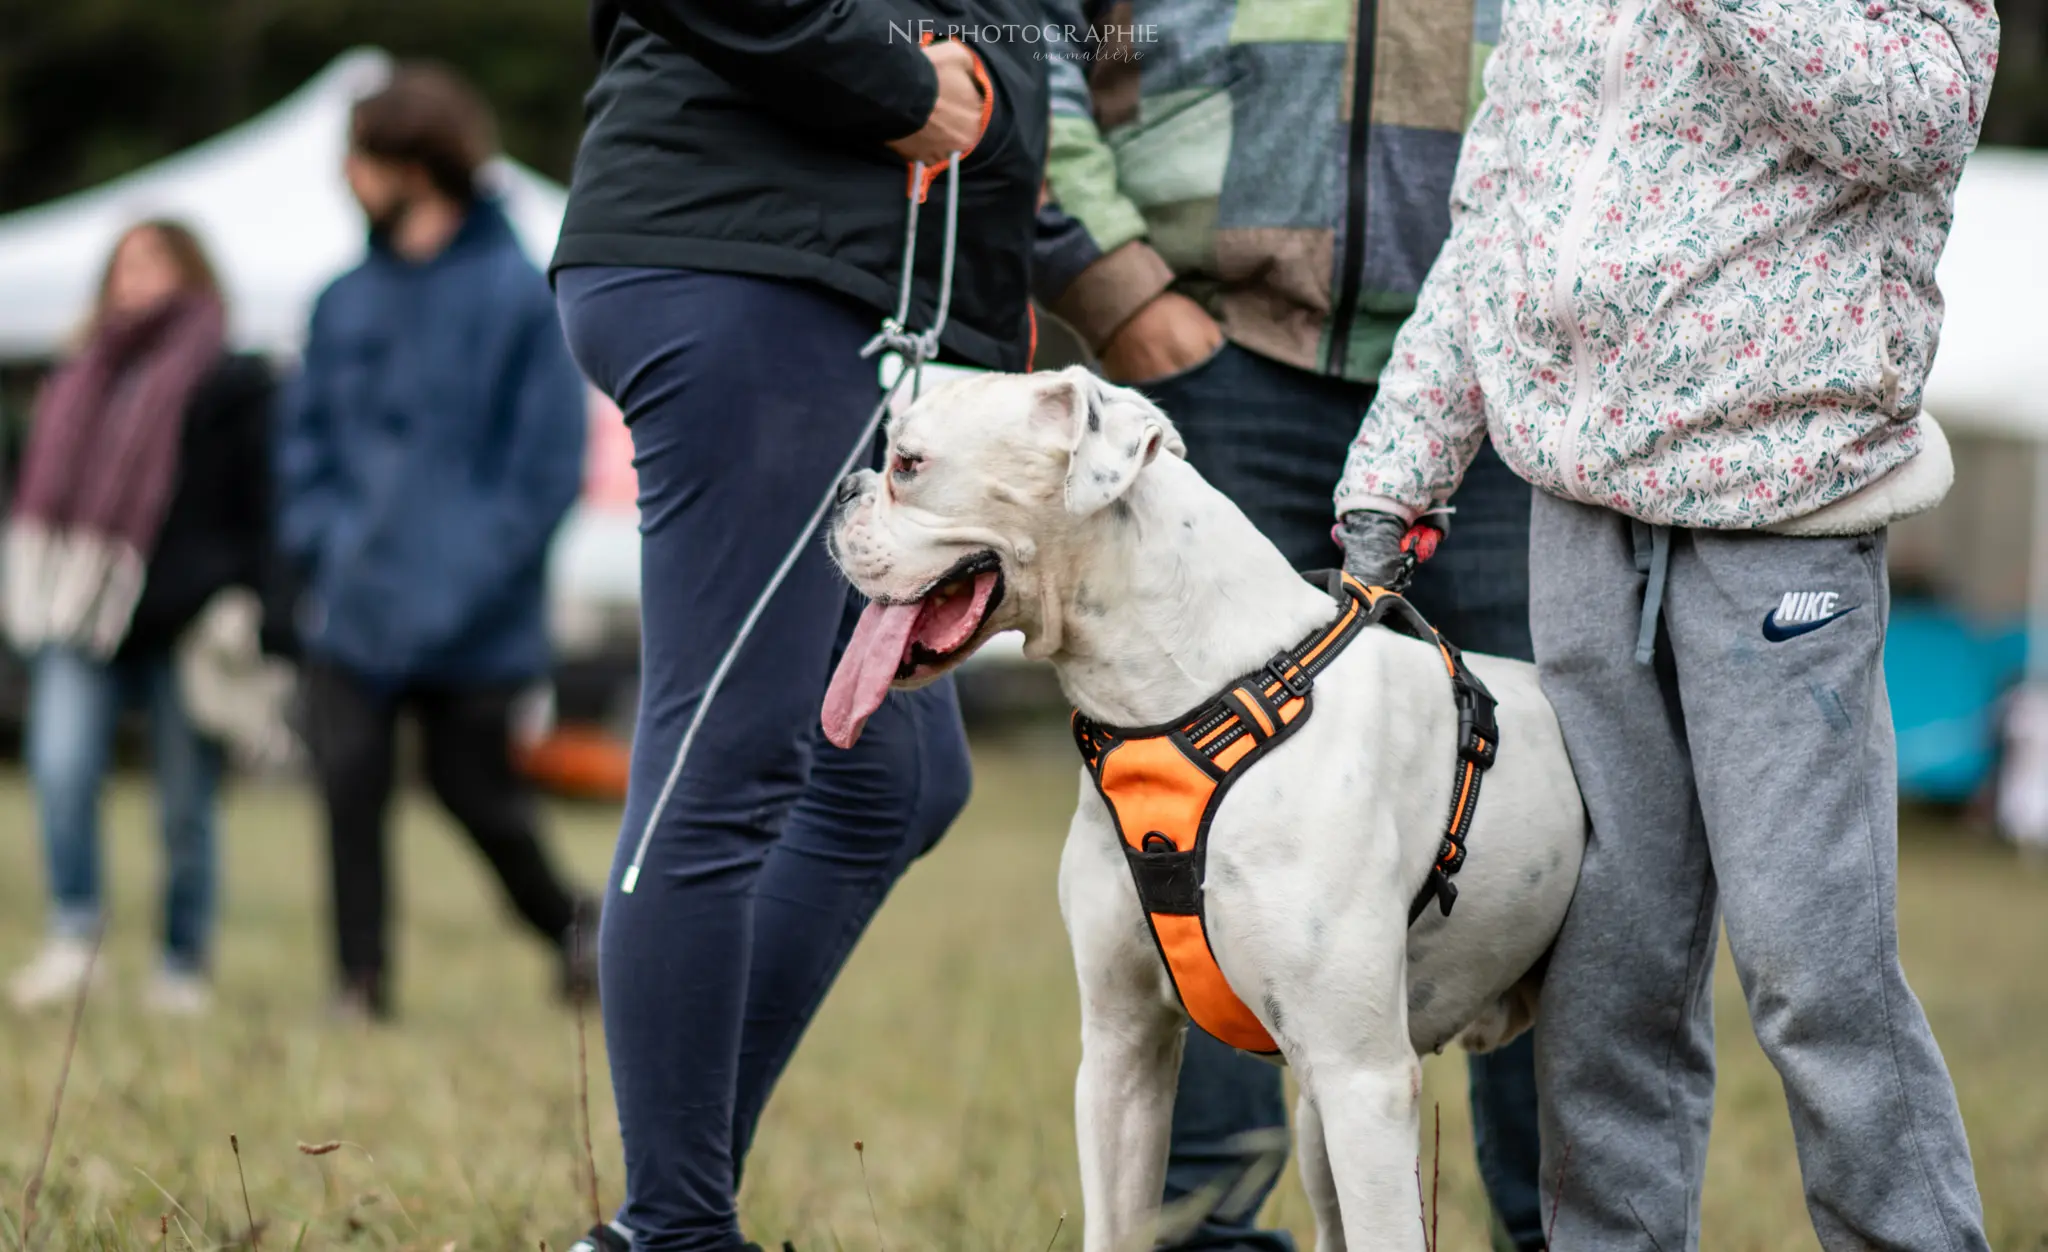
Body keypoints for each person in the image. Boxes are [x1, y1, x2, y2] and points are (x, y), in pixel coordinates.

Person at [1337, 3, 1998, 1248]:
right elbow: (1497, 216)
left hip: (1785, 501)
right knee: (1603, 983)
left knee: (1813, 979)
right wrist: (1392, 472)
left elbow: (1919, 118)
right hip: (1579, 512)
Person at [1033, 3, 1546, 1246]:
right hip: (1215, 355)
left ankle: (1561, 1228)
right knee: (1185, 829)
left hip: (1502, 371)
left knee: (1559, 842)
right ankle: (1208, 1229)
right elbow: (1025, 40)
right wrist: (1121, 290)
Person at [550, 1, 1045, 1247]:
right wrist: (887, 81)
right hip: (746, 265)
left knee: (891, 777)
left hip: (847, 290)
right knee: (725, 761)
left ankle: (666, 1212)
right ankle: (673, 1229)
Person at [276, 63, 595, 1022]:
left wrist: (464, 578)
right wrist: (326, 548)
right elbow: (305, 444)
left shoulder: (517, 295)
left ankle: (575, 925)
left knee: (477, 795)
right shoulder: (343, 298)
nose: (345, 173)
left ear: (416, 163)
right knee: (348, 788)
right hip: (355, 601)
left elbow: (543, 467)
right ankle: (359, 988)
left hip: (476, 611)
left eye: (362, 153)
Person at [4, 220, 275, 1016]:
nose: (138, 279)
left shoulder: (232, 381)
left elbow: (254, 506)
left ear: (195, 273)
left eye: (156, 262)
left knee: (186, 804)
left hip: (184, 618)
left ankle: (181, 960)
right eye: (124, 265)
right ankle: (72, 935)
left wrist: (240, 598)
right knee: (59, 769)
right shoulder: (77, 372)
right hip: (81, 611)